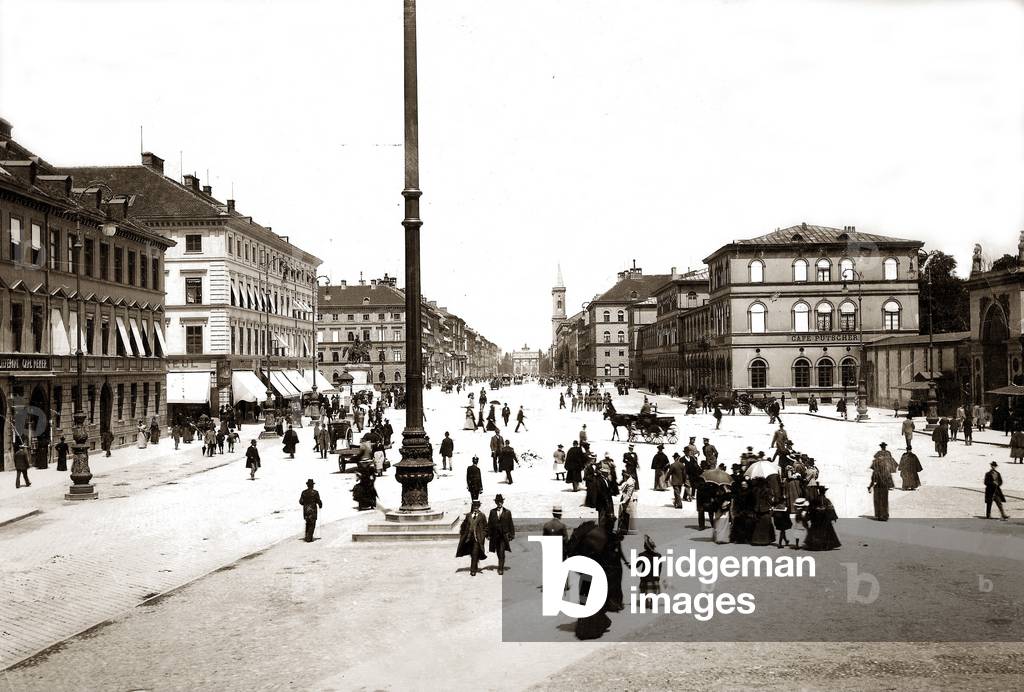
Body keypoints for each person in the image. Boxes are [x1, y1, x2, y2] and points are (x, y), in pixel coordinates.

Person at [456, 501, 488, 576]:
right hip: (469, 538)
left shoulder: (482, 516)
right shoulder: (468, 515)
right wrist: (463, 533)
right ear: (473, 506)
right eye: (475, 506)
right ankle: (475, 565)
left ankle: (472, 570)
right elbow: (463, 525)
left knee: (475, 551)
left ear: (479, 506)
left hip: (478, 538)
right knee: (471, 553)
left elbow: (486, 527)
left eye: (477, 506)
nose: (476, 507)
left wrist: (483, 535)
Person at [488, 494, 516, 575]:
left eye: (501, 501)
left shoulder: (507, 512)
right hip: (495, 536)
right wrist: (488, 534)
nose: (499, 503)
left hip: (503, 536)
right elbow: (489, 524)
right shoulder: (492, 512)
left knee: (501, 551)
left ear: (503, 502)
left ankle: (500, 568)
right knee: (498, 552)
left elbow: (511, 523)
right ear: (496, 502)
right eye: (498, 502)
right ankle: (500, 564)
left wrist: (512, 534)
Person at [617, 469, 637, 535]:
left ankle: (626, 529)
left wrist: (624, 501)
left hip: (628, 500)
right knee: (624, 514)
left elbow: (629, 493)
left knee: (627, 514)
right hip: (625, 498)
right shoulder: (627, 480)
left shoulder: (630, 482)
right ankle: (623, 529)